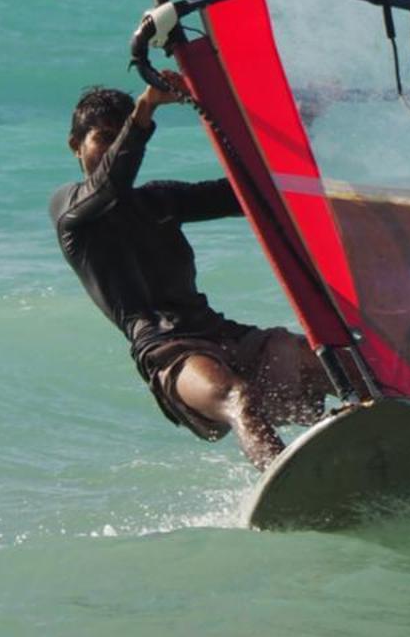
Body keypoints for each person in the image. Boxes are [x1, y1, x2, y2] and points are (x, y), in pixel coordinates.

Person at [50, 72, 328, 468]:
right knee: (238, 398)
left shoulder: (158, 201)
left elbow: (250, 190)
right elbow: (110, 183)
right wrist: (145, 108)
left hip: (223, 333)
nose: (112, 148)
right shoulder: (69, 209)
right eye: (103, 138)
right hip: (169, 352)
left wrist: (299, 122)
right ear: (76, 146)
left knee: (337, 365)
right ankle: (294, 487)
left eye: (120, 136)